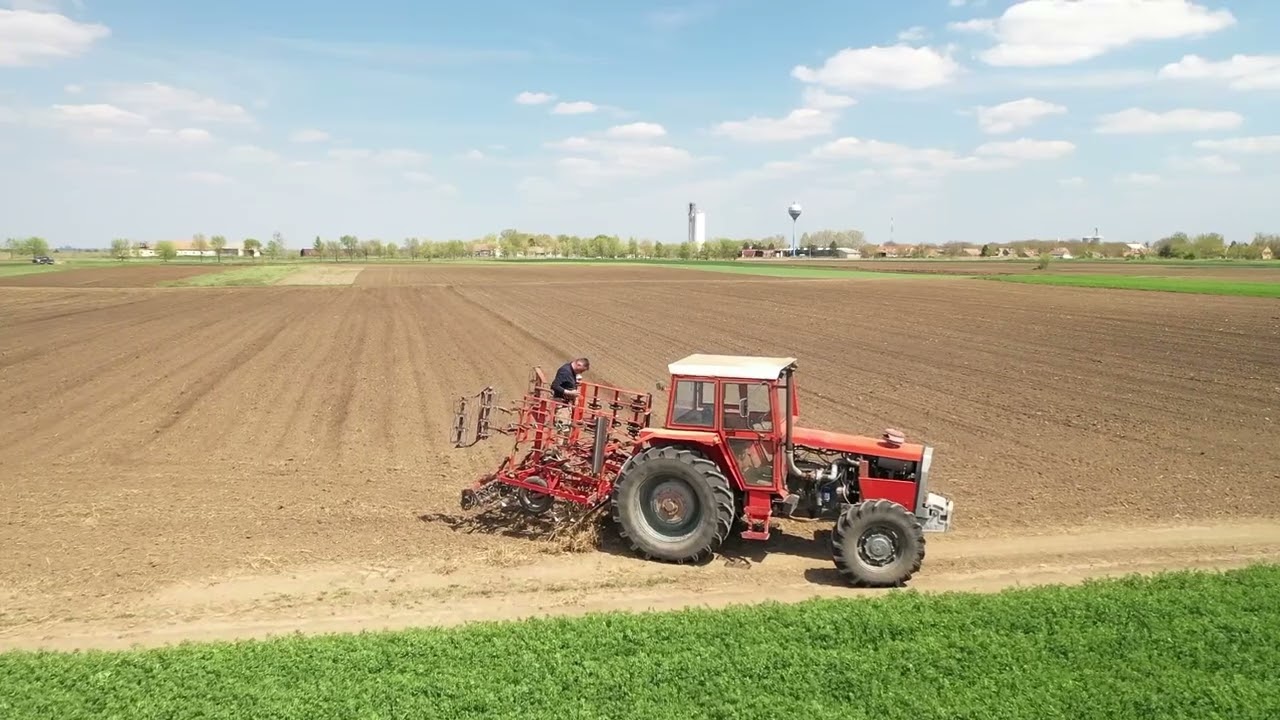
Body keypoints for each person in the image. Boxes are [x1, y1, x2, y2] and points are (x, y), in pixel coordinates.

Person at [550, 357, 590, 430]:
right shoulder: (565, 371)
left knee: (566, 429)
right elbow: (554, 386)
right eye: (581, 371)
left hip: (566, 405)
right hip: (562, 405)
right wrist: (570, 393)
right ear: (578, 365)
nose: (581, 373)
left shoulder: (571, 371)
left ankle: (563, 441)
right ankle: (559, 441)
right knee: (563, 429)